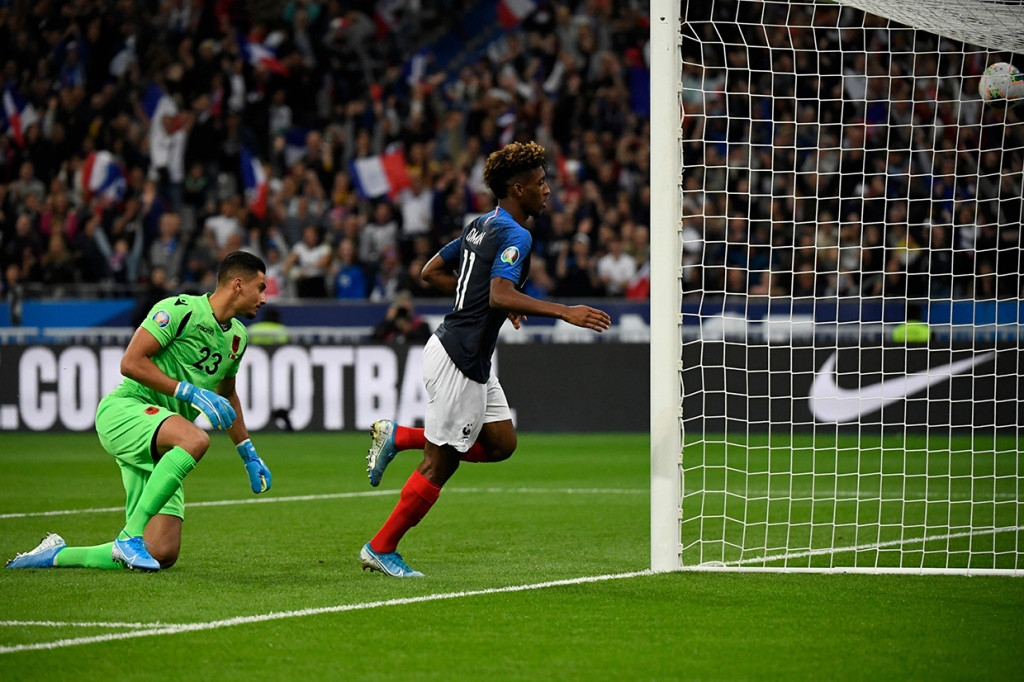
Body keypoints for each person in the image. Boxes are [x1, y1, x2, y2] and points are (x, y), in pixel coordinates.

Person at [358, 141, 611, 578]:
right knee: (442, 463)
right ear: (518, 189)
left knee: (500, 444)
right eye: (540, 183)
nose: (547, 191)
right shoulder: (517, 234)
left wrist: (492, 301)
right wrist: (563, 311)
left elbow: (432, 272)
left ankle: (399, 436)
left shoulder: (480, 225)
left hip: (466, 356)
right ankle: (381, 547)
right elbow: (497, 292)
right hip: (459, 358)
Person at [6, 252, 272, 572]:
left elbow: (227, 394)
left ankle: (55, 555)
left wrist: (248, 453)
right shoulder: (179, 310)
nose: (264, 298)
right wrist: (187, 391)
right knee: (195, 440)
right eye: (260, 288)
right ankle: (129, 535)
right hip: (127, 410)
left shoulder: (237, 338)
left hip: (162, 439)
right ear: (238, 284)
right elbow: (130, 363)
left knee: (161, 552)